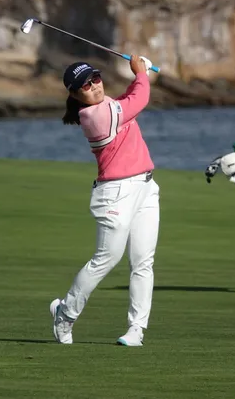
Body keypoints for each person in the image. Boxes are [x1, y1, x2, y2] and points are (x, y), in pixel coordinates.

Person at [50, 54, 159, 346]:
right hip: (116, 194)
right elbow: (138, 99)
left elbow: (128, 99)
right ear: (75, 95)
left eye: (96, 79)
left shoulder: (108, 105)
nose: (95, 86)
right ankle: (65, 313)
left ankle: (136, 329)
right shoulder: (94, 116)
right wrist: (140, 72)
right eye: (86, 85)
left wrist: (140, 74)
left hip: (146, 188)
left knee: (143, 262)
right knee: (106, 259)